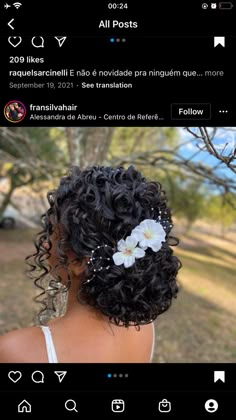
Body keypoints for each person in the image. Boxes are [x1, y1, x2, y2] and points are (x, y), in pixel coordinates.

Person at [0, 165, 181, 362]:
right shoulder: (144, 327)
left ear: (79, 262)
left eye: (51, 231)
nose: (44, 242)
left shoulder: (17, 352)